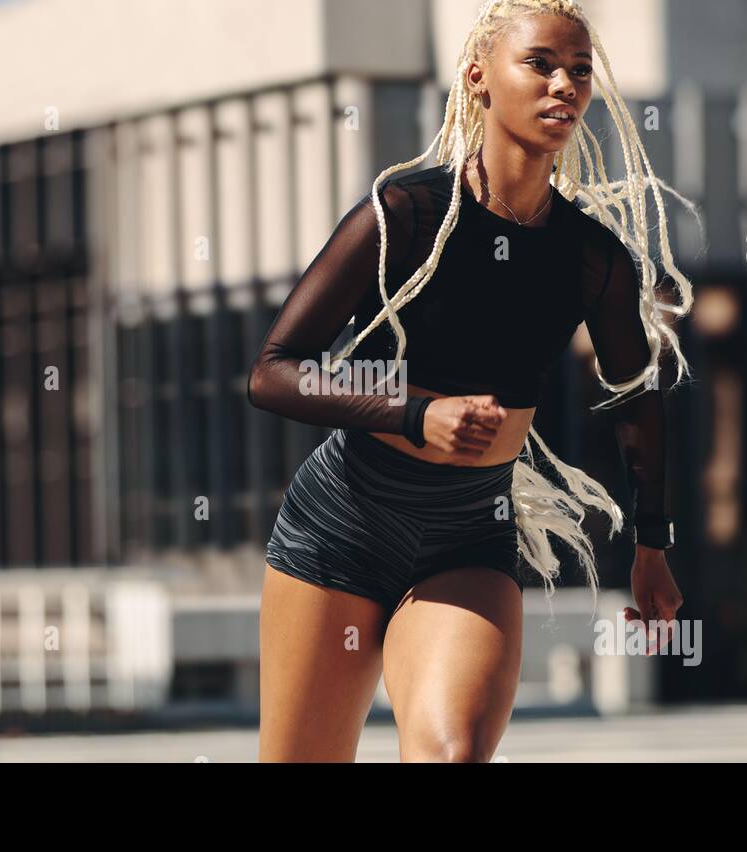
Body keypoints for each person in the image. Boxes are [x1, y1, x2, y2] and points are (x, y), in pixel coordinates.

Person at [249, 0, 695, 762]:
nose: (565, 85)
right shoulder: (405, 214)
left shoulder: (593, 257)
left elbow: (634, 394)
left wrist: (651, 544)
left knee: (452, 754)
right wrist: (415, 413)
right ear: (478, 76)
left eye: (580, 71)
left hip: (467, 533)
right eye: (542, 64)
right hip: (342, 527)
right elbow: (274, 372)